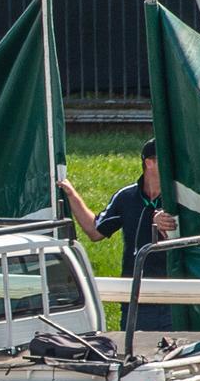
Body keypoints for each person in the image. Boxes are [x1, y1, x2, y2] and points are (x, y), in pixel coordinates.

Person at [57, 138, 177, 332]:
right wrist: (70, 194)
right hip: (135, 297)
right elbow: (95, 231)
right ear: (149, 162)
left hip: (175, 296)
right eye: (168, 159)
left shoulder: (180, 197)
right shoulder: (126, 197)